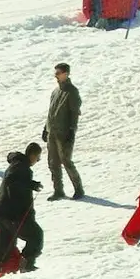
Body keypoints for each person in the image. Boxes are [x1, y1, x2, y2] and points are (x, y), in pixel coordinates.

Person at [0, 143, 44, 272]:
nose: (37, 160)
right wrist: (30, 184)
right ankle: (26, 264)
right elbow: (12, 181)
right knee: (36, 236)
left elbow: (14, 182)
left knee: (3, 244)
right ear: (32, 155)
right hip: (14, 214)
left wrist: (30, 184)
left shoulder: (17, 164)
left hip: (4, 212)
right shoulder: (21, 166)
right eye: (37, 157)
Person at [43, 63, 84, 198]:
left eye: (58, 72)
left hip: (64, 133)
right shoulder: (55, 91)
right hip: (52, 131)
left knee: (66, 161)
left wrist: (71, 131)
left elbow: (74, 113)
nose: (56, 75)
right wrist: (45, 128)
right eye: (55, 73)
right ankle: (58, 190)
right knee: (53, 162)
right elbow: (51, 111)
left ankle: (78, 188)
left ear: (66, 73)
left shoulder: (72, 92)